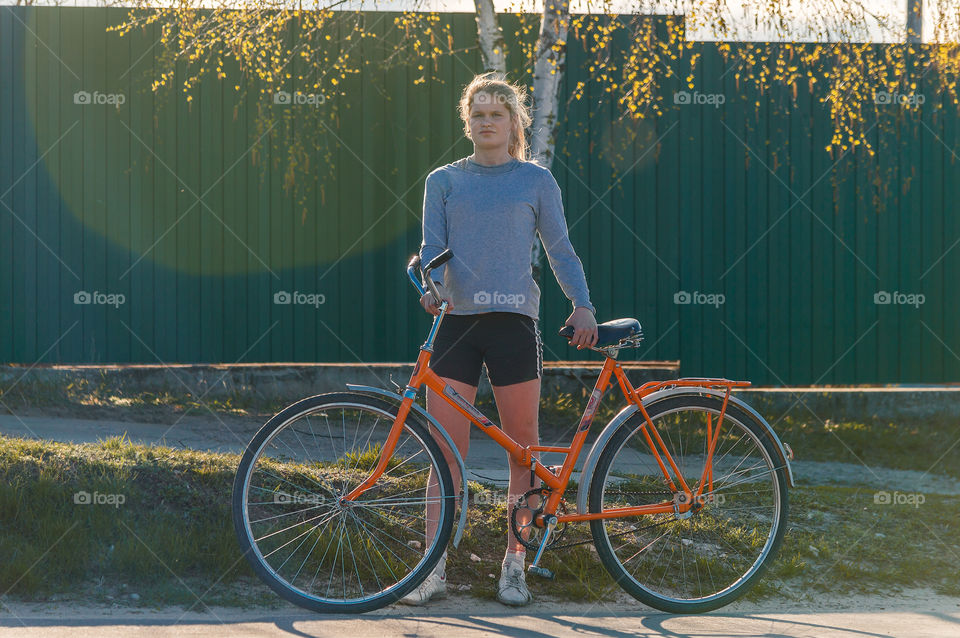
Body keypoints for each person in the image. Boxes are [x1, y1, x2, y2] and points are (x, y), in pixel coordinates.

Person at [399, 71, 598, 607]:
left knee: (524, 453)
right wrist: (432, 289)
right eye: (478, 114)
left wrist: (582, 304)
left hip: (515, 324)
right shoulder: (443, 180)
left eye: (497, 114)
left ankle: (515, 564)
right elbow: (431, 249)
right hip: (457, 325)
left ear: (514, 124)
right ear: (467, 123)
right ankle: (432, 566)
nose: (487, 122)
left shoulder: (535, 181)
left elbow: (560, 249)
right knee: (445, 450)